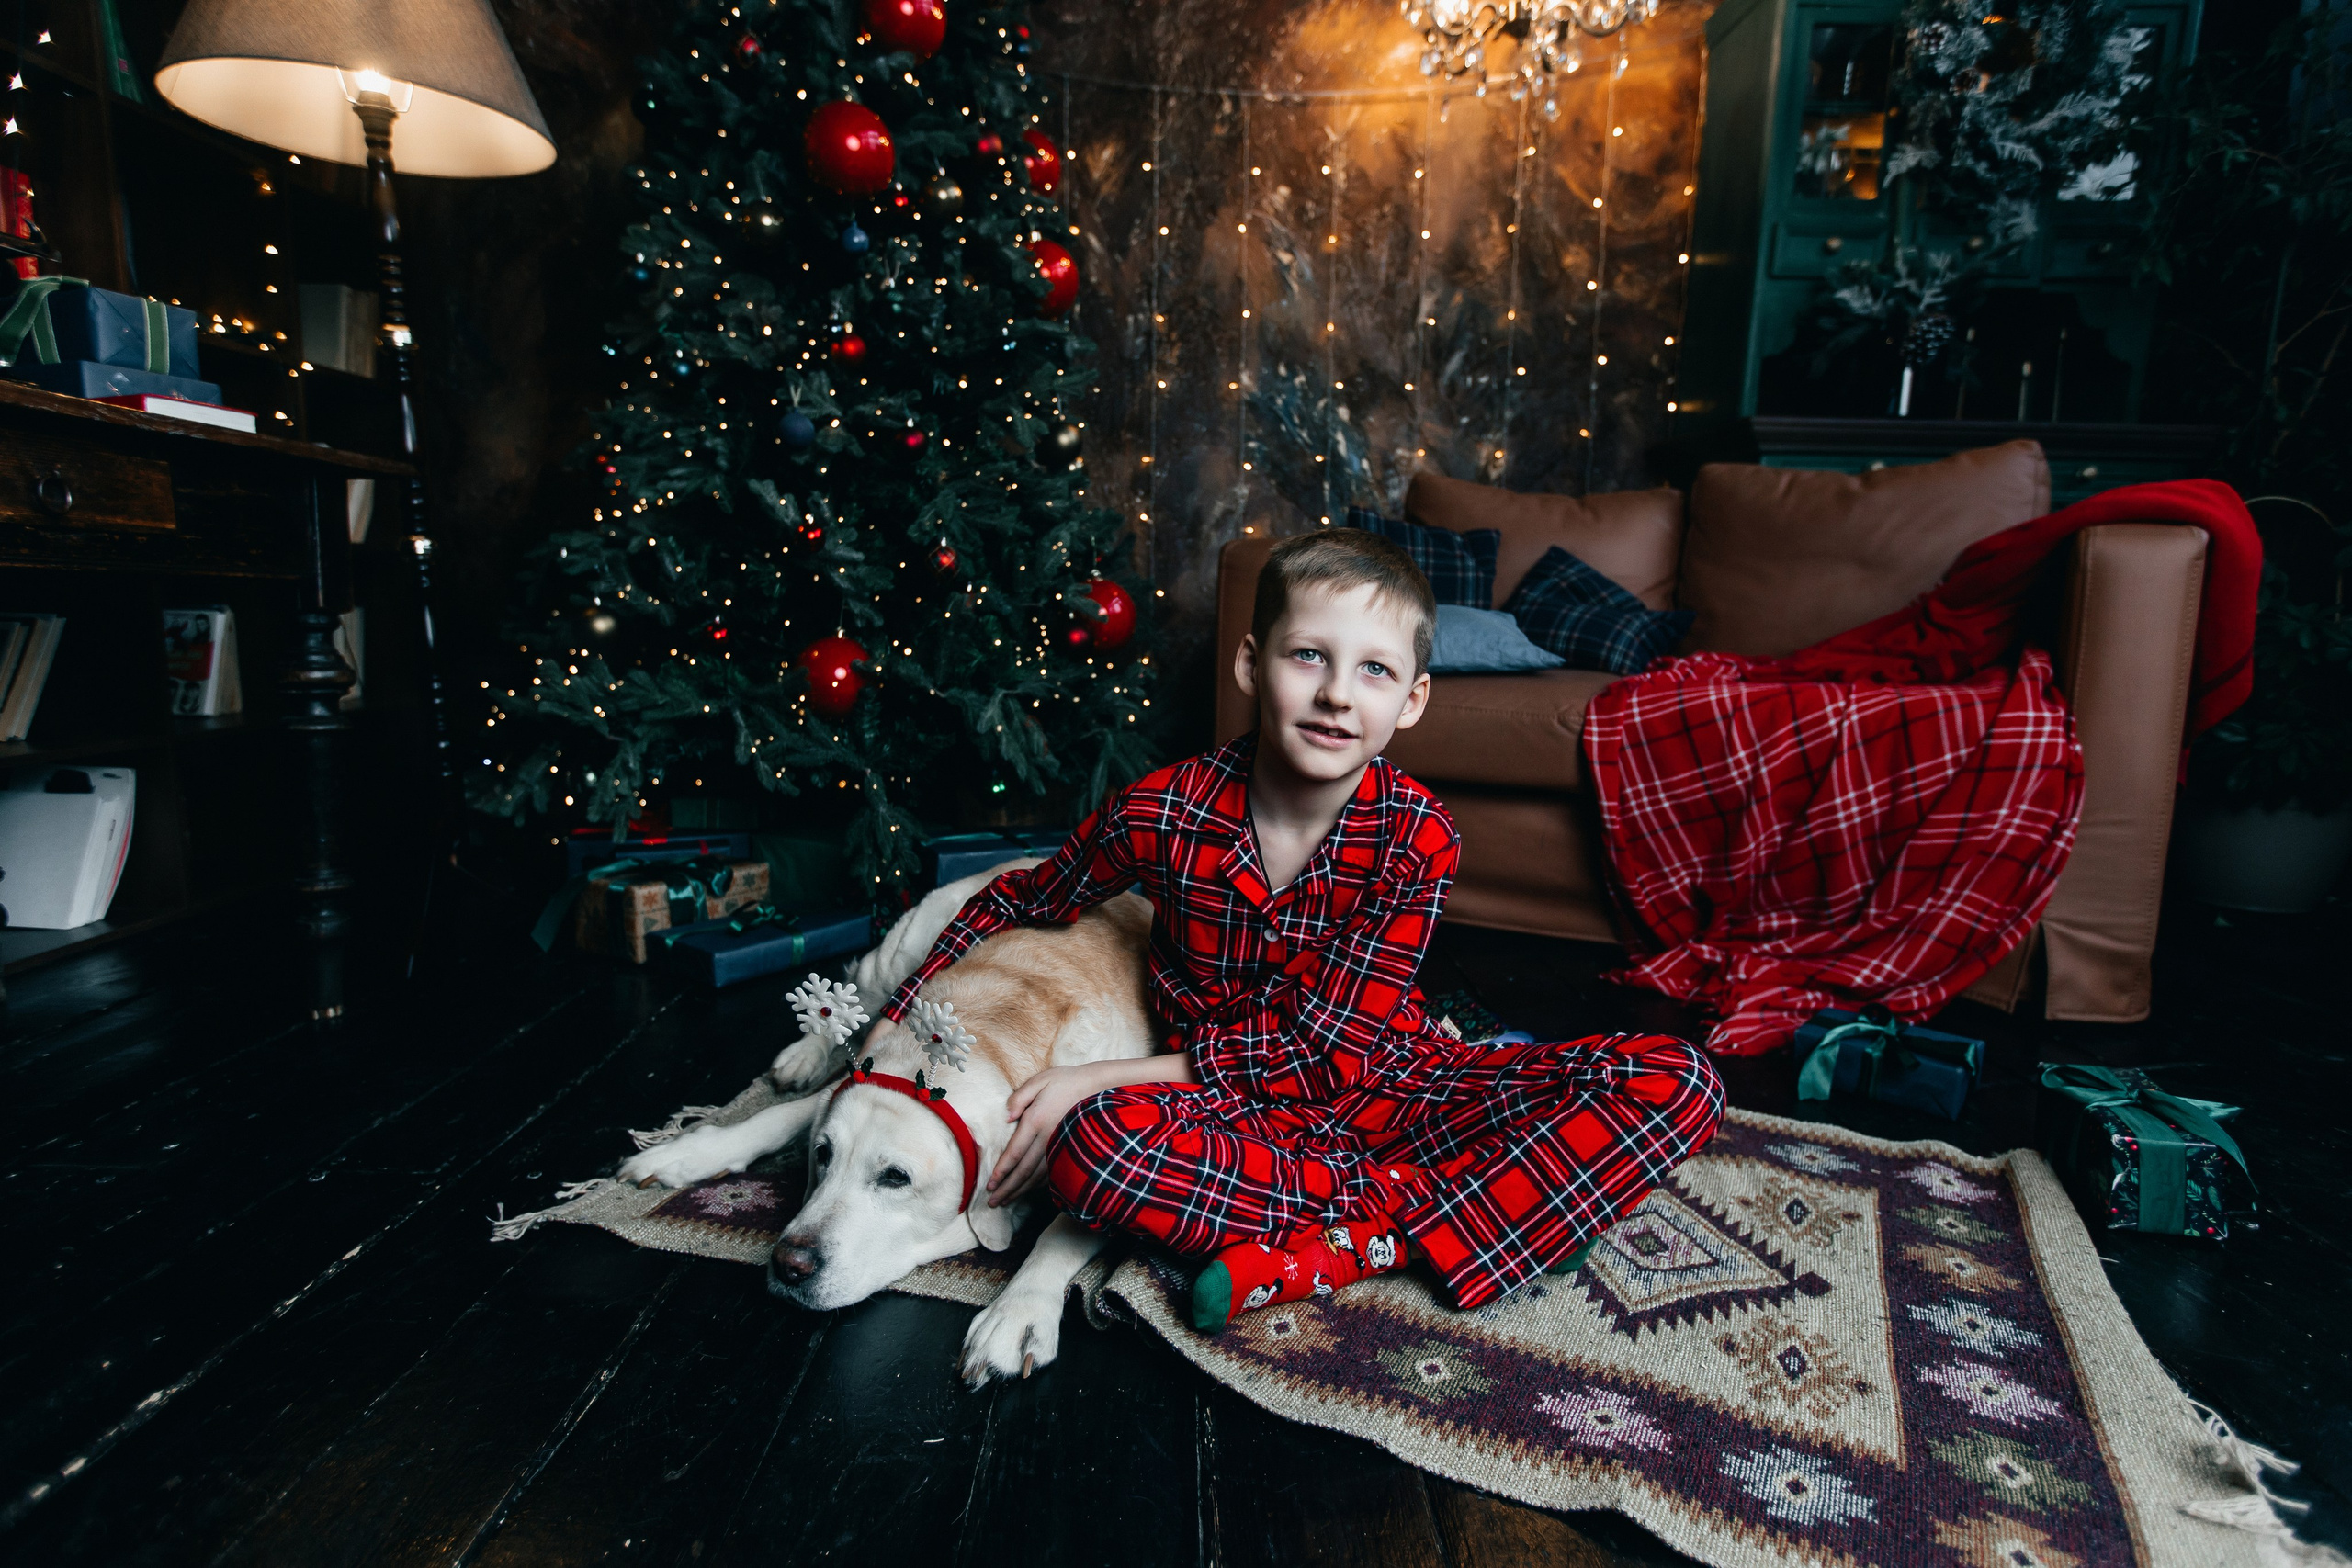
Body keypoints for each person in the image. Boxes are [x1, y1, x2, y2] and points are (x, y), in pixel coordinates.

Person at [879, 528, 1724, 1327]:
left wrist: (1098, 1071)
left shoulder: (1418, 835)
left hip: (1394, 1088)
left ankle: (1365, 1239)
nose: (1335, 694)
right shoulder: (1162, 811)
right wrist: (901, 1009)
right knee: (1093, 1151)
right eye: (1310, 655)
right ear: (1253, 663)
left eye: (1375, 671)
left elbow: (1325, 1053)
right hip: (1227, 1113)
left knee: (1681, 1080)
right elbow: (1026, 899)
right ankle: (1482, 1211)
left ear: (1413, 699)